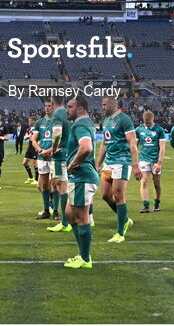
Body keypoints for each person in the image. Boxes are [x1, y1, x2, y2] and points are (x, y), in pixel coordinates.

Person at [95, 96, 140, 243]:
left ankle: (120, 233)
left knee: (119, 195)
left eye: (105, 104)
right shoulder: (106, 120)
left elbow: (132, 143)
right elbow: (104, 144)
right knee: (106, 195)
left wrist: (135, 165)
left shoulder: (124, 119)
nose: (102, 107)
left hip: (122, 161)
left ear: (113, 104)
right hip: (109, 162)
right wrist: (98, 164)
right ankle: (125, 219)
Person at [62, 95, 99, 269]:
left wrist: (72, 164)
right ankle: (83, 254)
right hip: (81, 177)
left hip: (82, 176)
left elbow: (86, 147)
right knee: (70, 214)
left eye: (70, 107)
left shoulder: (80, 124)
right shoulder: (86, 124)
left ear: (81, 109)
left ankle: (85, 258)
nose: (67, 110)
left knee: (82, 217)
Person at [45, 95, 74, 232]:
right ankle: (70, 219)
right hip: (70, 155)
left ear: (52, 102)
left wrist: (53, 149)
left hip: (60, 157)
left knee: (61, 188)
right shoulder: (68, 114)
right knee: (67, 186)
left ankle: (65, 222)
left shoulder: (57, 116)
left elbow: (57, 134)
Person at [135, 110, 166, 213]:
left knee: (156, 183)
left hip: (155, 160)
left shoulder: (159, 130)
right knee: (144, 182)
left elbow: (162, 148)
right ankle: (146, 205)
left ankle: (157, 203)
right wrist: (135, 163)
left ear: (153, 119)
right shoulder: (139, 130)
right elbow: (135, 146)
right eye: (145, 122)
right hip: (144, 159)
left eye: (148, 122)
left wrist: (159, 162)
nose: (147, 124)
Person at [33, 102, 56, 220]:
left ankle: (56, 211)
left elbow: (60, 140)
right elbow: (34, 139)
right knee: (44, 185)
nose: (47, 108)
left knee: (55, 184)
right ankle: (47, 210)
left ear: (54, 107)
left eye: (50, 106)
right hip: (42, 157)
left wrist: (49, 151)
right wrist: (41, 150)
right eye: (46, 106)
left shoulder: (57, 121)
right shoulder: (39, 122)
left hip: (54, 156)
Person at [21, 116, 38, 184]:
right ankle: (31, 178)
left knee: (35, 164)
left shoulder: (37, 129)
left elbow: (35, 137)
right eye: (29, 121)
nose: (29, 122)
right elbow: (25, 137)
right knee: (24, 163)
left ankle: (37, 180)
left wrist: (29, 136)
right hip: (30, 147)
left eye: (30, 121)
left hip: (35, 147)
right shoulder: (28, 129)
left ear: (34, 121)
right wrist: (29, 136)